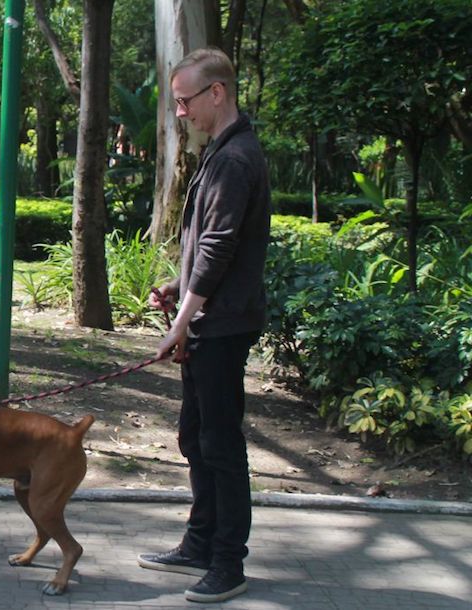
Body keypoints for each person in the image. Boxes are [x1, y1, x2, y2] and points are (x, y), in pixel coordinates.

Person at [137, 47, 270, 604]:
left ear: (217, 93)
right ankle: (199, 541)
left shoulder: (237, 158)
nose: (181, 112)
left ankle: (227, 563)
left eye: (186, 100)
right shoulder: (221, 151)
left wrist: (182, 322)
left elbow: (218, 249)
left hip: (222, 326)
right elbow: (207, 247)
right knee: (195, 436)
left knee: (219, 444)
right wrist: (178, 285)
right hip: (207, 320)